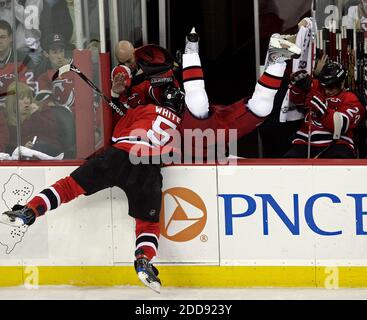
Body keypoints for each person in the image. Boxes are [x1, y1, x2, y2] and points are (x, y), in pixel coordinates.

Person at [0, 70, 185, 293]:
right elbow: (170, 156)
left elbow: (115, 136)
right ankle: (143, 259)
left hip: (120, 154)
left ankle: (29, 211)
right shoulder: (178, 130)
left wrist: (126, 114)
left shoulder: (143, 109)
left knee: (69, 186)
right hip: (148, 168)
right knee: (148, 225)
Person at [179, 28, 302, 159]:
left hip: (197, 130)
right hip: (215, 142)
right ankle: (276, 61)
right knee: (261, 108)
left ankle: (190, 52)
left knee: (198, 103)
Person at [283, 60, 365, 158]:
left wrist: (320, 107)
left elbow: (341, 126)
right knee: (287, 166)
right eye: (324, 86)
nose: (327, 90)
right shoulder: (318, 86)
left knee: (339, 165)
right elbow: (296, 100)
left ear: (342, 82)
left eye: (331, 87)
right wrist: (297, 87)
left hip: (337, 144)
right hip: (305, 142)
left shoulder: (351, 98)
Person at [111, 40, 179, 115]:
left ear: (134, 52)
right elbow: (118, 112)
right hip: (141, 115)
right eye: (124, 63)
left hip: (163, 108)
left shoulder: (148, 58)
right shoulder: (119, 75)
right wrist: (115, 94)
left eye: (130, 60)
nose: (129, 65)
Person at [4, 81, 64, 156]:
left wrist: (36, 116)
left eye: (29, 97)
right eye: (21, 98)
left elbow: (54, 131)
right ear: (12, 102)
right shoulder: (5, 118)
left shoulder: (42, 109)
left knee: (39, 147)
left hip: (48, 152)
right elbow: (7, 145)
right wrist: (22, 148)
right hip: (23, 158)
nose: (27, 101)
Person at [0, 19, 38, 108]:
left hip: (16, 109)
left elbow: (29, 91)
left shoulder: (24, 60)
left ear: (10, 38)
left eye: (2, 37)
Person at [35, 33, 74, 111]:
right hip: (60, 117)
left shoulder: (77, 66)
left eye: (61, 51)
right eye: (54, 52)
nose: (59, 56)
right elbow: (45, 103)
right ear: (46, 54)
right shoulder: (43, 75)